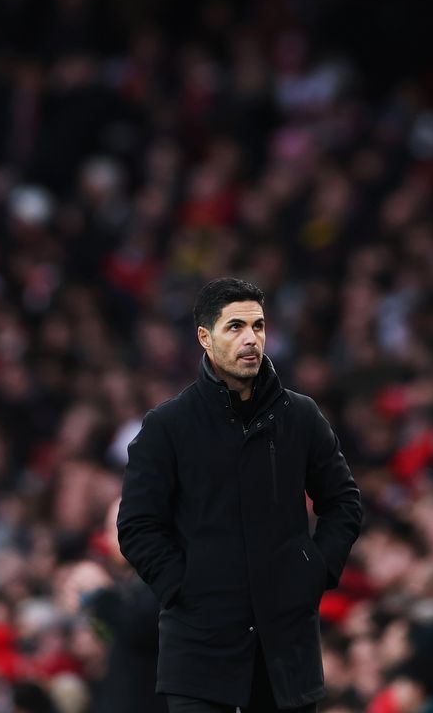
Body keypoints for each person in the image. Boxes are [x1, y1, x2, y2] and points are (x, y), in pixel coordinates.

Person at [117, 277, 364, 712]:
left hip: (286, 655)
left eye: (259, 326)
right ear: (204, 338)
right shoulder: (167, 427)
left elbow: (343, 502)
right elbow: (137, 525)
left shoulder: (301, 416)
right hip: (200, 657)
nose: (251, 339)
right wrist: (183, 585)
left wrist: (316, 569)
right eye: (235, 327)